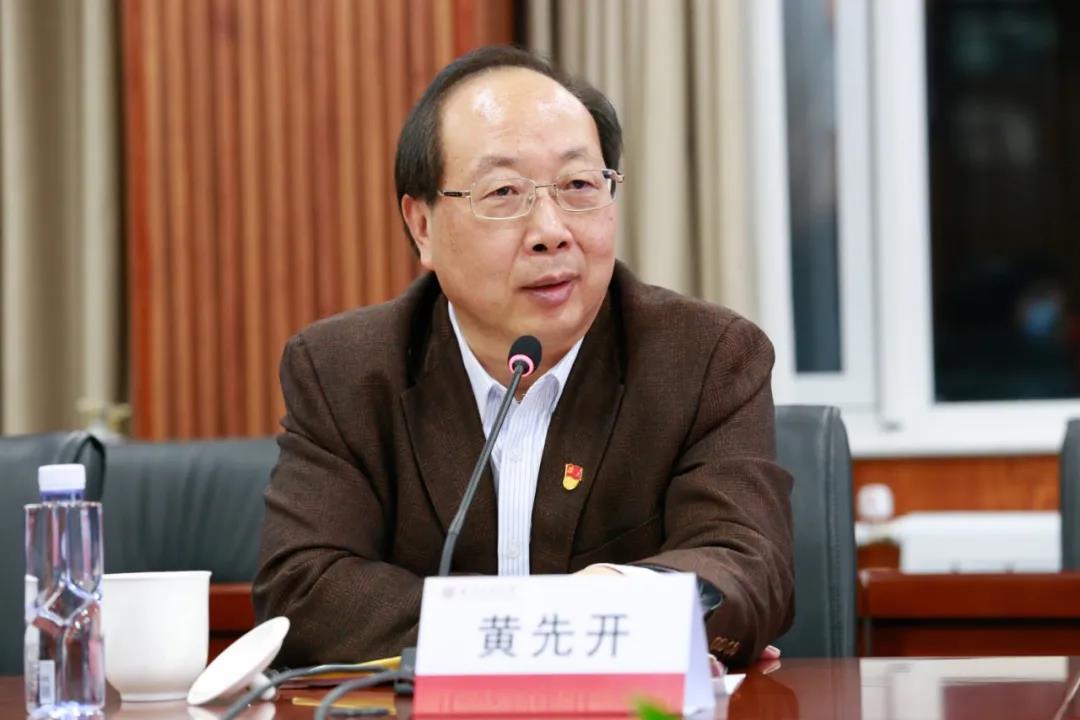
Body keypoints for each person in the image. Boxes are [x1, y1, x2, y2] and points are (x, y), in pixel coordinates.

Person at [253, 45, 794, 669]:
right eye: (504, 192)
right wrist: (563, 625)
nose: (551, 231)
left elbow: (748, 567)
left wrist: (544, 619)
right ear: (422, 226)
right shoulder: (343, 370)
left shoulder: (705, 357)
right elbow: (303, 590)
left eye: (579, 186)